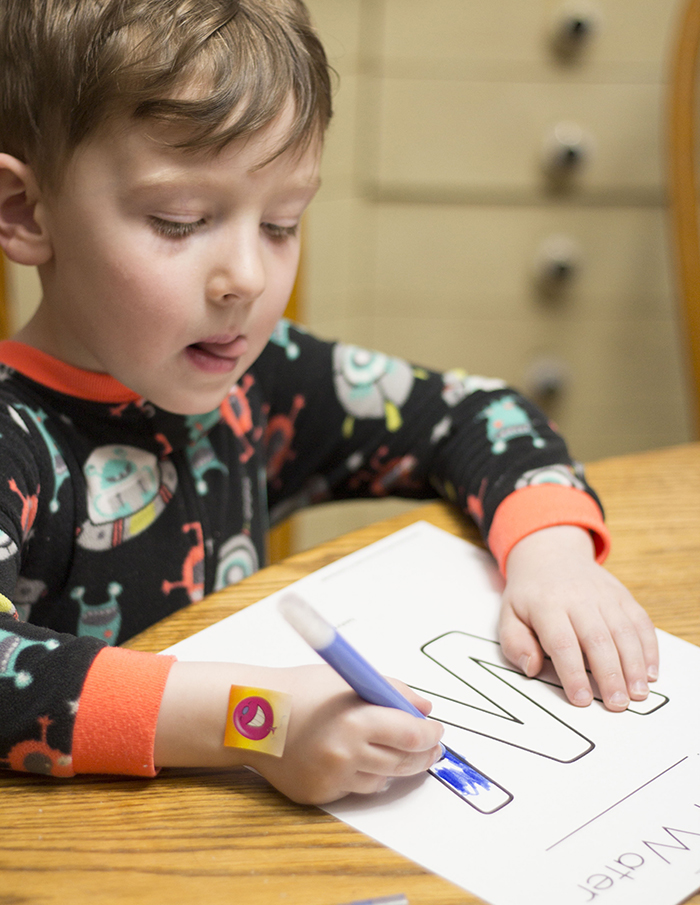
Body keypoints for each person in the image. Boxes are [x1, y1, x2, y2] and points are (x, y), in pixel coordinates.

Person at [0, 0, 657, 804]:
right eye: (179, 222)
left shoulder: (257, 379)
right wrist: (256, 719)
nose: (247, 276)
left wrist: (552, 559)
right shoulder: (13, 439)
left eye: (281, 223)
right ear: (25, 212)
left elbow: (477, 414)